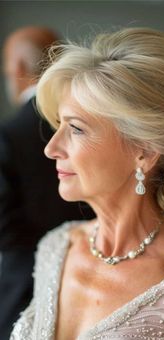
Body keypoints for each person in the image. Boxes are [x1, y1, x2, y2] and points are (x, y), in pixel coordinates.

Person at [10, 27, 164, 339]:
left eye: (75, 128)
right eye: (58, 125)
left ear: (143, 150)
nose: (51, 148)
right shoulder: (57, 247)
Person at [0, 26, 95, 340]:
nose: (54, 148)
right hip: (93, 276)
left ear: (18, 68)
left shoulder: (7, 135)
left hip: (21, 289)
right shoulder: (90, 123)